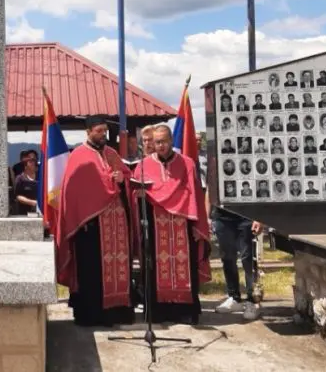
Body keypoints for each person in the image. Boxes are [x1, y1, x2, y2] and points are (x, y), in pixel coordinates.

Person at [56, 116, 140, 327]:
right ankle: (92, 314)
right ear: (88, 132)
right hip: (91, 225)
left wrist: (122, 180)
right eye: (99, 131)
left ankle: (117, 312)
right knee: (92, 271)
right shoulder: (79, 156)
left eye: (104, 131)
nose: (103, 135)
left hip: (117, 223)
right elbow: (72, 193)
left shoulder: (112, 154)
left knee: (118, 267)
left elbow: (127, 178)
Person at [137, 125, 210, 325]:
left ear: (171, 141)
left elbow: (194, 195)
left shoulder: (186, 164)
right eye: (157, 142)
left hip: (182, 226)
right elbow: (134, 195)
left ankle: (185, 312)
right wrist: (139, 195)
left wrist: (198, 226)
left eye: (164, 141)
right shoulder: (143, 166)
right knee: (156, 267)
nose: (160, 145)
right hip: (155, 226)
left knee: (184, 268)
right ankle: (159, 312)